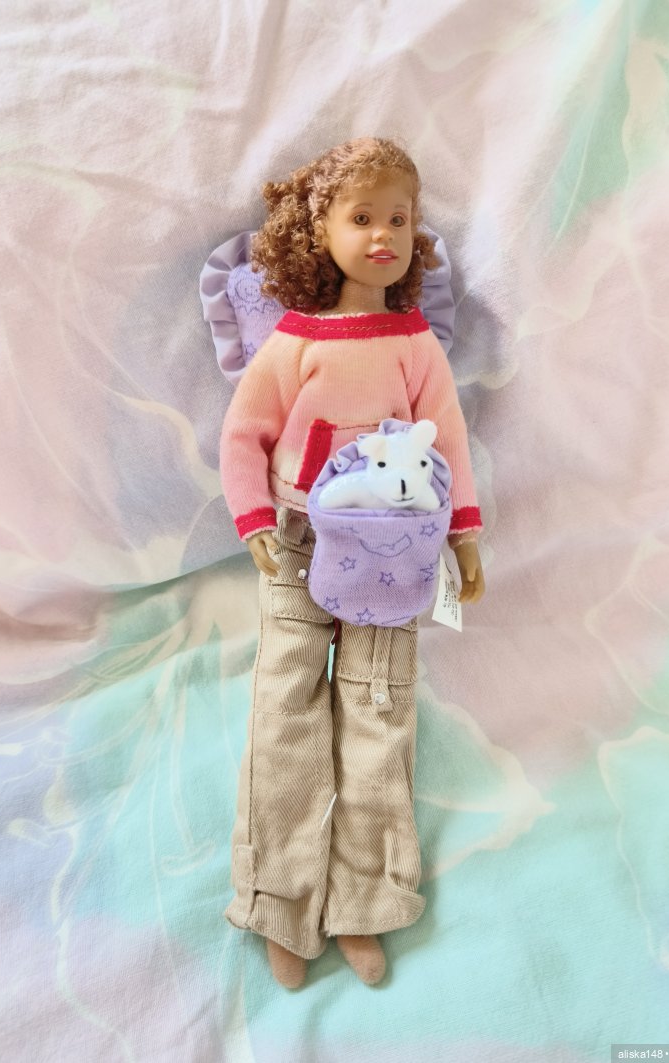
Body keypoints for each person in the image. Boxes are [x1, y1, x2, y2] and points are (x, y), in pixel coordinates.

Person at [219, 137, 485, 988]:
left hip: (395, 550)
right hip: (298, 541)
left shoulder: (415, 343)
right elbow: (244, 433)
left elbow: (449, 439)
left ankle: (366, 900)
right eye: (362, 217)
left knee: (379, 712)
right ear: (318, 231)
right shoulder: (294, 340)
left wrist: (463, 534)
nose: (382, 235)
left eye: (399, 219)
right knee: (285, 712)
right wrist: (254, 519)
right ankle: (279, 900)